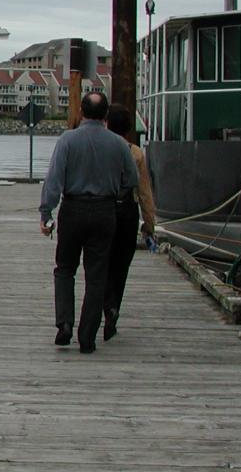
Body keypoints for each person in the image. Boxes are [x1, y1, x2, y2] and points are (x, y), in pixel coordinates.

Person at [39, 91, 139, 354]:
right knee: (97, 275)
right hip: (105, 211)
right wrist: (114, 191)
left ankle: (64, 324)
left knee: (65, 268)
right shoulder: (118, 144)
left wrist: (46, 213)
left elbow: (54, 180)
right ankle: (88, 336)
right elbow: (132, 179)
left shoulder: (67, 141)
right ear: (106, 114)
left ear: (81, 113)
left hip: (72, 208)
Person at [102, 104, 156, 341]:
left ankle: (103, 302)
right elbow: (144, 192)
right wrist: (149, 225)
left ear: (107, 124)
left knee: (101, 262)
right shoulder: (135, 153)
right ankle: (114, 307)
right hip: (128, 213)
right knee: (121, 266)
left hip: (102, 210)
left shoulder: (100, 148)